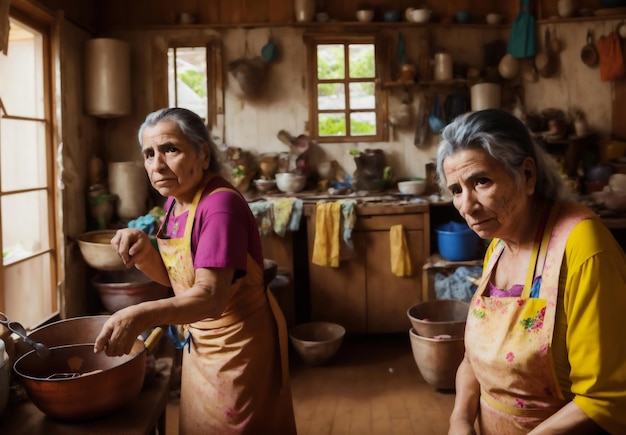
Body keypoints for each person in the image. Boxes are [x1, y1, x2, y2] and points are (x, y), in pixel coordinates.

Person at [94, 107, 297, 434]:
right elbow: (180, 280)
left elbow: (210, 297)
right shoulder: (176, 202)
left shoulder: (219, 207)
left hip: (240, 350)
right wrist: (146, 250)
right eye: (149, 154)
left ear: (202, 154)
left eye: (170, 149)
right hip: (202, 346)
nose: (157, 165)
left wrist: (139, 316)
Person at [437, 109, 626, 434]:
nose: (466, 206)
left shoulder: (582, 246)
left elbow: (604, 399)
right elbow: (472, 360)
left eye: (481, 181)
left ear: (527, 175)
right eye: (456, 190)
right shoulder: (497, 246)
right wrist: (460, 419)